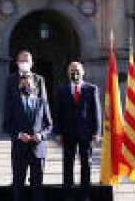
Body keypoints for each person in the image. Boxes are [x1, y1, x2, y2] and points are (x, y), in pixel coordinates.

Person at [52, 62, 100, 201]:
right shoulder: (62, 90)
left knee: (86, 164)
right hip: (68, 134)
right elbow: (58, 113)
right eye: (72, 70)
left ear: (83, 72)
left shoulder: (91, 89)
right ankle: (68, 194)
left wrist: (96, 132)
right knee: (68, 164)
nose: (75, 72)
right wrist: (58, 132)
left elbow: (96, 112)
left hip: (86, 133)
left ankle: (85, 193)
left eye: (77, 70)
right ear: (68, 73)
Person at [4, 74, 51, 201]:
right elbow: (7, 125)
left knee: (37, 184)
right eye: (23, 84)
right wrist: (19, 135)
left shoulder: (42, 102)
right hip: (20, 149)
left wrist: (41, 135)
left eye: (29, 84)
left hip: (38, 149)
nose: (26, 86)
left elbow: (49, 124)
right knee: (18, 183)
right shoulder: (12, 103)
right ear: (19, 86)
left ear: (35, 86)